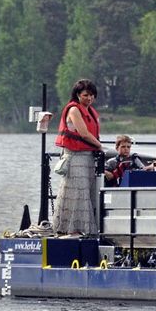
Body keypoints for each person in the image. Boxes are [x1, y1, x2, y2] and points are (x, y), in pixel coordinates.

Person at [53, 79, 103, 235]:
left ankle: (85, 229)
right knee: (77, 193)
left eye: (92, 95)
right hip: (75, 158)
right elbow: (83, 133)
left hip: (87, 157)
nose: (89, 98)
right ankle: (71, 229)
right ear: (77, 95)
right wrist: (101, 146)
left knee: (87, 193)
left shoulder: (91, 112)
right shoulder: (74, 110)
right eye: (85, 95)